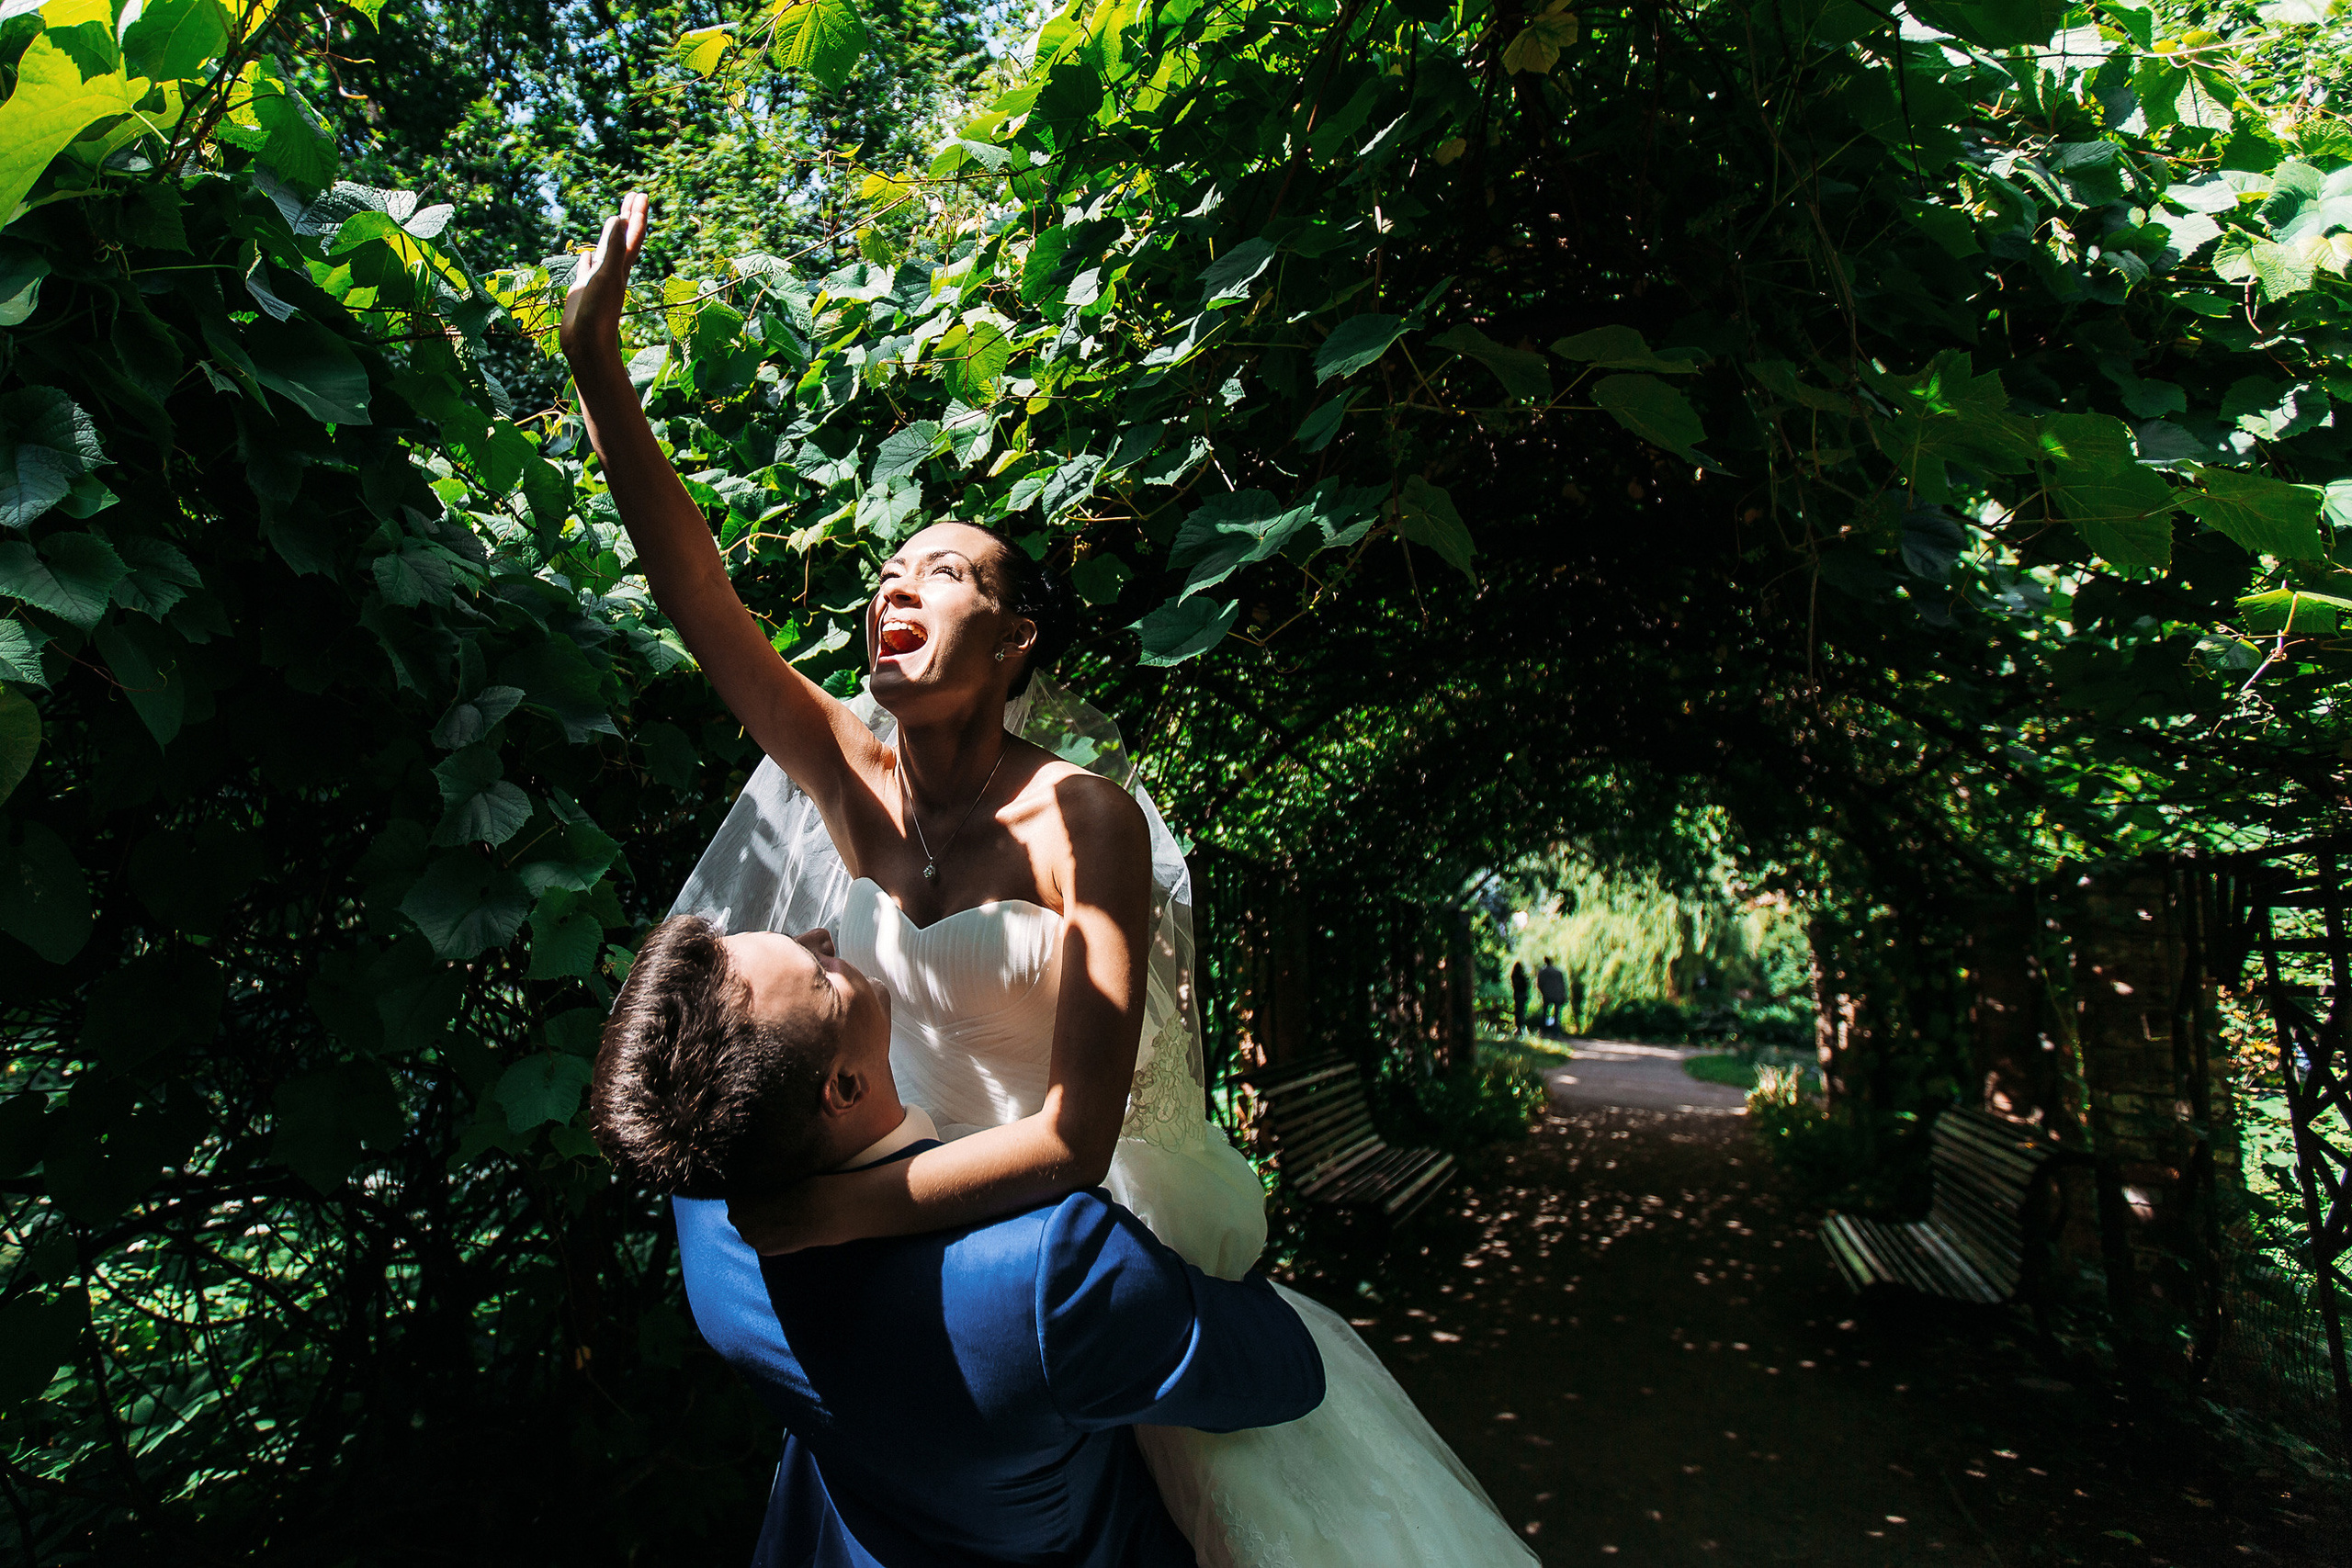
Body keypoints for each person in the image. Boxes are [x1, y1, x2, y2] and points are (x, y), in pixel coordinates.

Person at [562, 195, 1539, 1568]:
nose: (899, 583)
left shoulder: (1089, 825)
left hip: (1031, 1226)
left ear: (1015, 638)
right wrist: (595, 361)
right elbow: (700, 598)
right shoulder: (845, 766)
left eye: (944, 570)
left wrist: (826, 1213)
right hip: (894, 1199)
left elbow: (1075, 1140)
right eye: (891, 569)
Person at [589, 916, 1326, 1567]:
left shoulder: (711, 1229)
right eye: (822, 975)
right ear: (844, 1086)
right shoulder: (1052, 1273)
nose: (824, 937)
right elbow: (1283, 1369)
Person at [1536, 955, 1568, 1035]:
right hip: (1557, 995)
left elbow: (1539, 983)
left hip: (1547, 994)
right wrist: (1563, 994)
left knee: (1545, 1012)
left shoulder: (1542, 972)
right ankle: (1556, 1031)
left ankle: (1543, 1031)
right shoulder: (1558, 972)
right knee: (1556, 1013)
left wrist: (1542, 991)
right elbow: (1562, 984)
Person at [1510, 960, 1531, 1035]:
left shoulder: (1513, 976)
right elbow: (1526, 985)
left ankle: (1518, 1028)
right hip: (1522, 995)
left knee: (1517, 1012)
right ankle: (1521, 1027)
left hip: (1517, 995)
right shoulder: (1522, 976)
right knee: (1522, 1012)